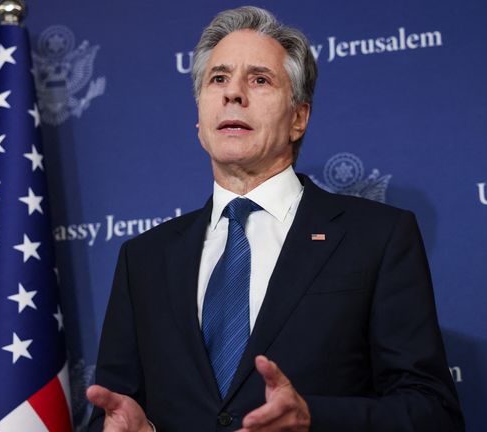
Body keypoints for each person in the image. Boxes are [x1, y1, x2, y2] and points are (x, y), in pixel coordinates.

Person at [87, 6, 464, 431]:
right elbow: (112, 410)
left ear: (298, 118)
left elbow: (433, 413)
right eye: (218, 79)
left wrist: (313, 419)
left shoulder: (377, 237)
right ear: (199, 120)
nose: (233, 93)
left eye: (259, 79)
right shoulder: (144, 259)